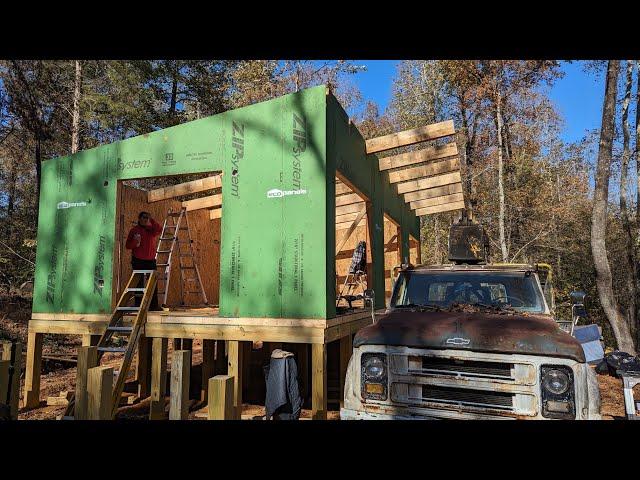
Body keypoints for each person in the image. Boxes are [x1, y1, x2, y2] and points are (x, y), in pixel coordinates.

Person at [125, 211, 162, 311]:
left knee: (153, 284)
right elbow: (128, 245)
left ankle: (153, 306)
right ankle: (138, 306)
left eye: (147, 218)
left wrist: (152, 219)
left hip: (150, 261)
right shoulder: (134, 230)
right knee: (139, 284)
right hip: (138, 261)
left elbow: (159, 229)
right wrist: (135, 242)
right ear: (139, 219)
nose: (146, 219)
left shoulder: (151, 230)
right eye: (144, 217)